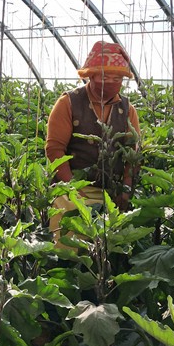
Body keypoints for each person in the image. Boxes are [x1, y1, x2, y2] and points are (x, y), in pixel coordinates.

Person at [45, 41, 140, 239]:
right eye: (105, 77)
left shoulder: (127, 109)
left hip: (112, 191)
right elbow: (55, 150)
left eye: (117, 78)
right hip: (72, 186)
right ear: (91, 75)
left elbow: (133, 154)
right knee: (68, 232)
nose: (111, 82)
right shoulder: (68, 103)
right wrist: (73, 189)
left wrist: (126, 189)